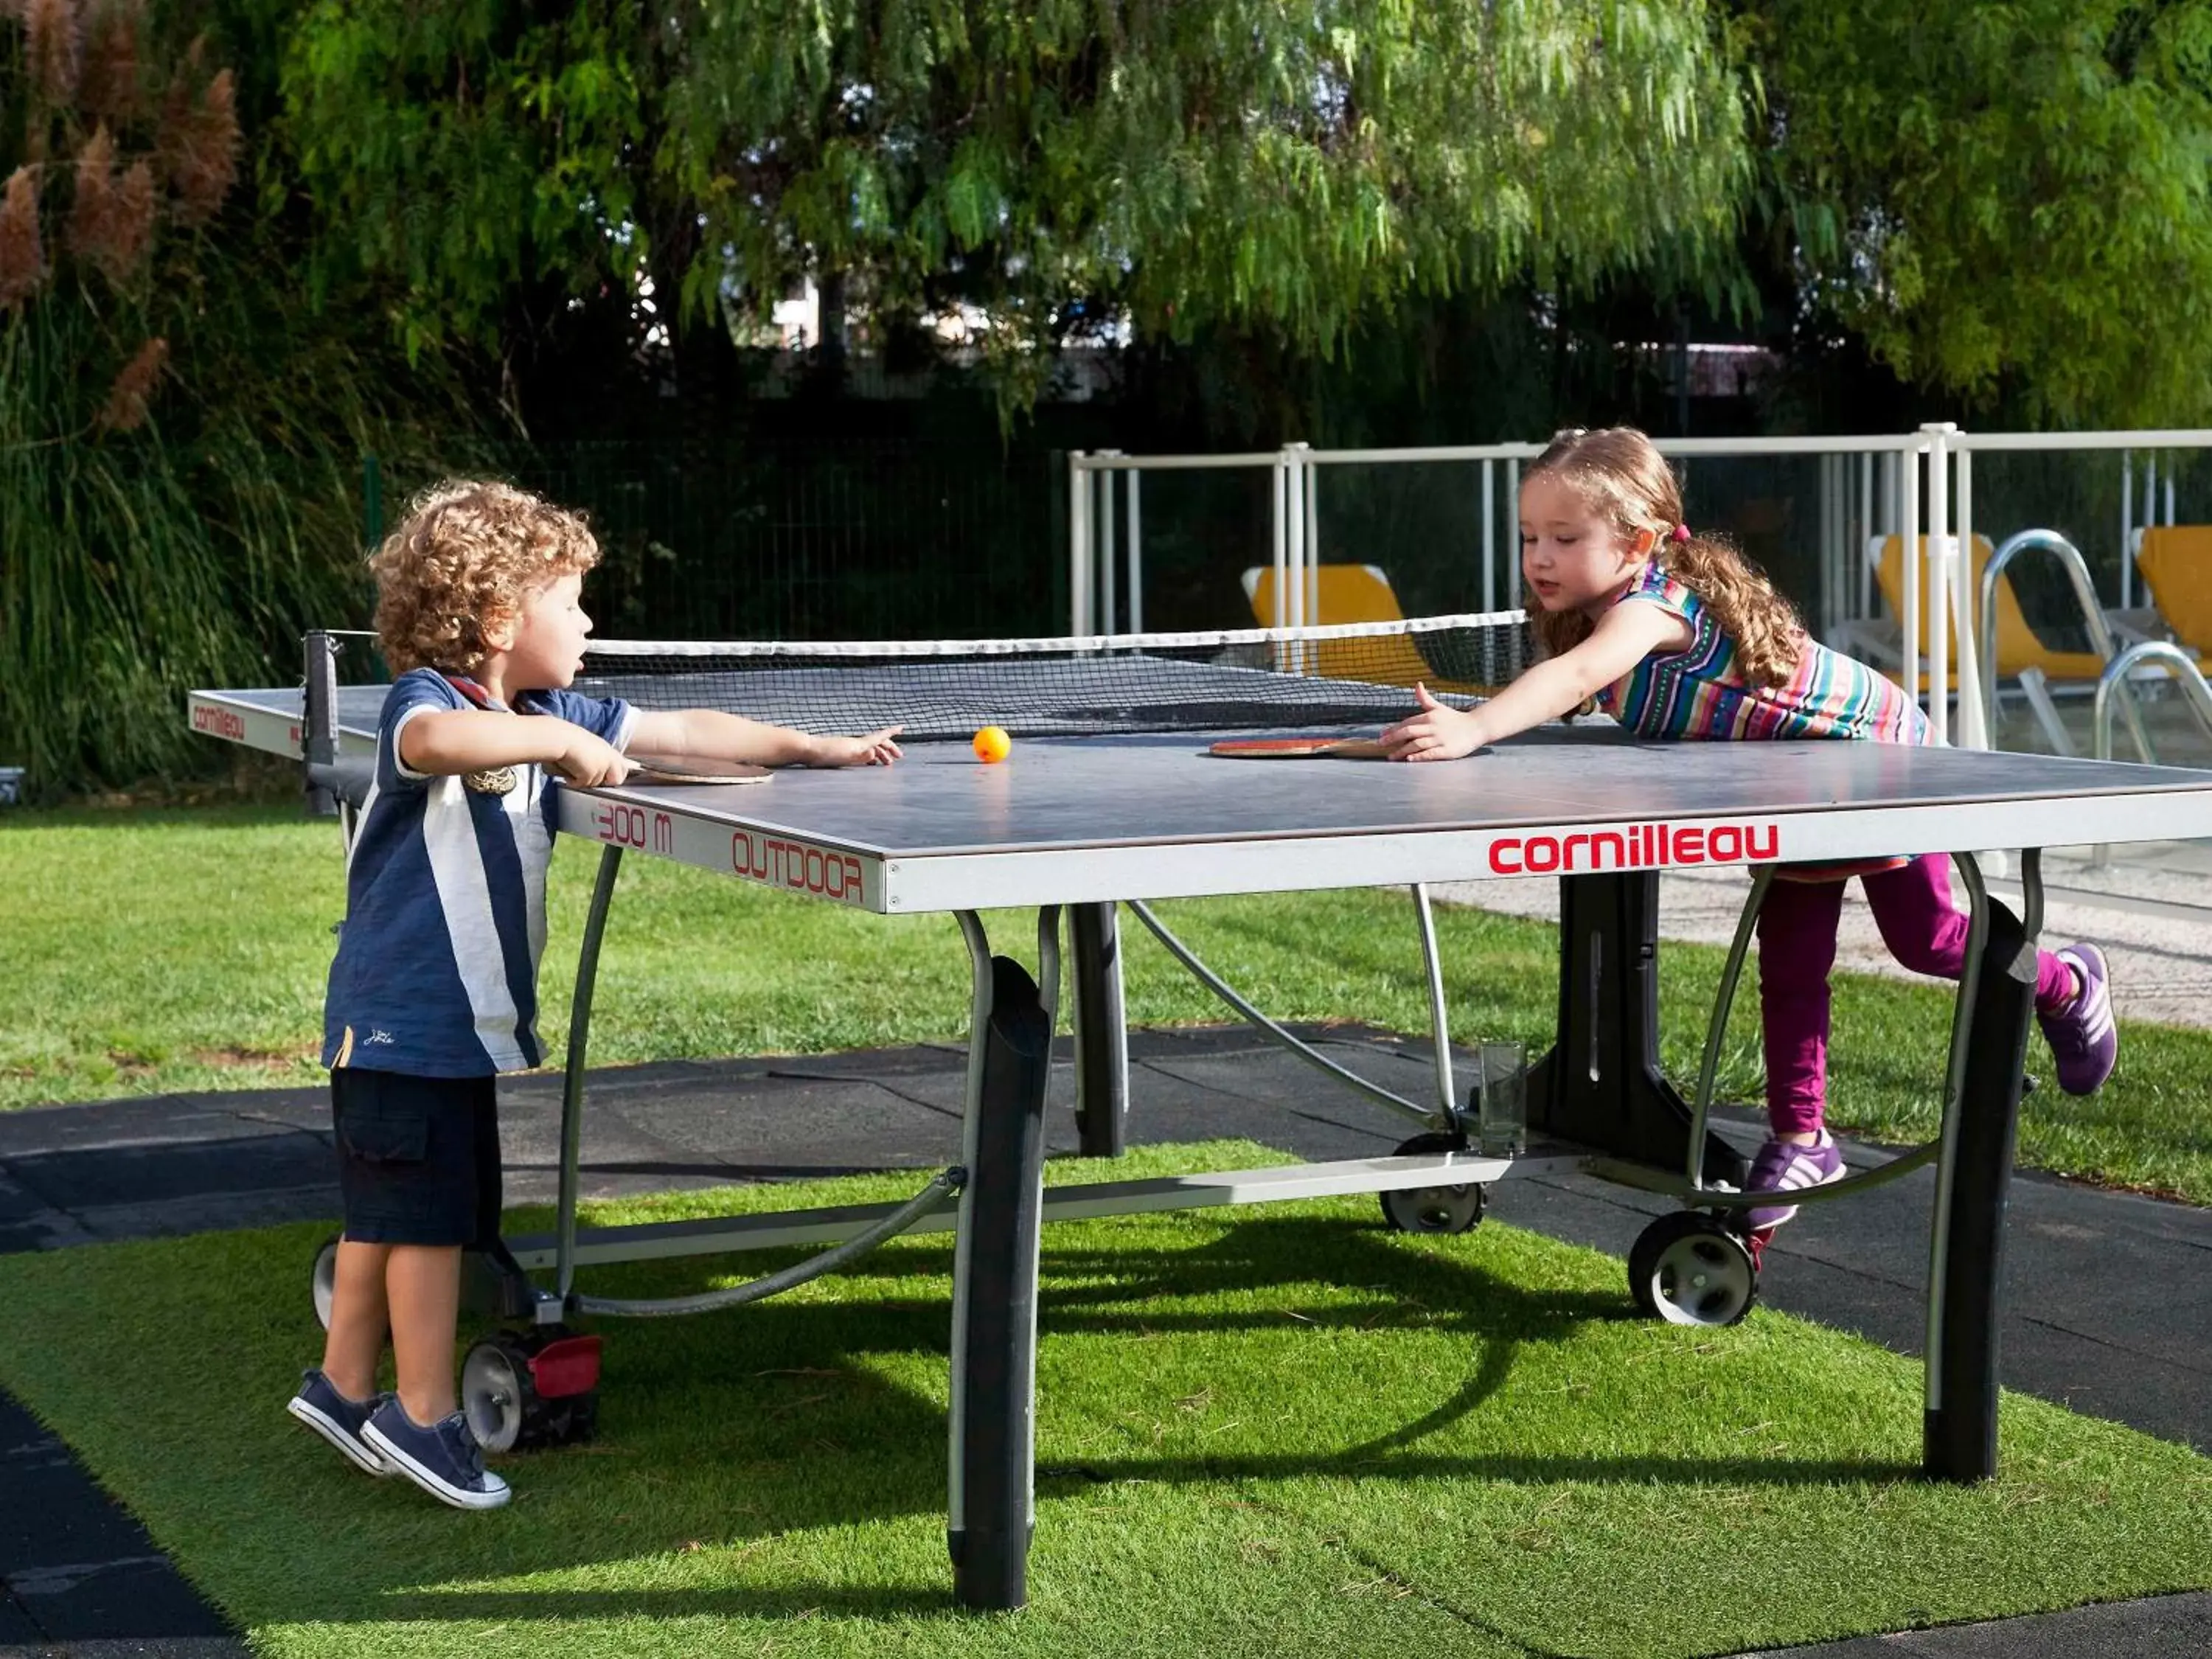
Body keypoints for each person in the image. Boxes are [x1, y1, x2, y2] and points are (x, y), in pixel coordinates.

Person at [285, 481, 902, 1508]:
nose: (588, 621)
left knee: (394, 1208)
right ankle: (423, 1416)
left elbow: (685, 731)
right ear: (495, 617)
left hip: (437, 1028)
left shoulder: (538, 707)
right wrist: (561, 746)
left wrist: (810, 746)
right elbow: (430, 751)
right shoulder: (434, 701)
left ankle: (345, 1385)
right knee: (430, 1221)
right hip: (404, 1023)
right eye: (569, 600)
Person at [1380, 427, 2116, 1239]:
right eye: (1529, 538)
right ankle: (1804, 1140)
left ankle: (2068, 984)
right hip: (1798, 789)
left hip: (1880, 759)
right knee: (1791, 962)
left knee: (1929, 938)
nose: (1540, 557)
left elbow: (1577, 679)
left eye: (1564, 537)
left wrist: (1475, 728)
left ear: (1640, 544)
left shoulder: (1650, 608)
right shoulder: (1593, 612)